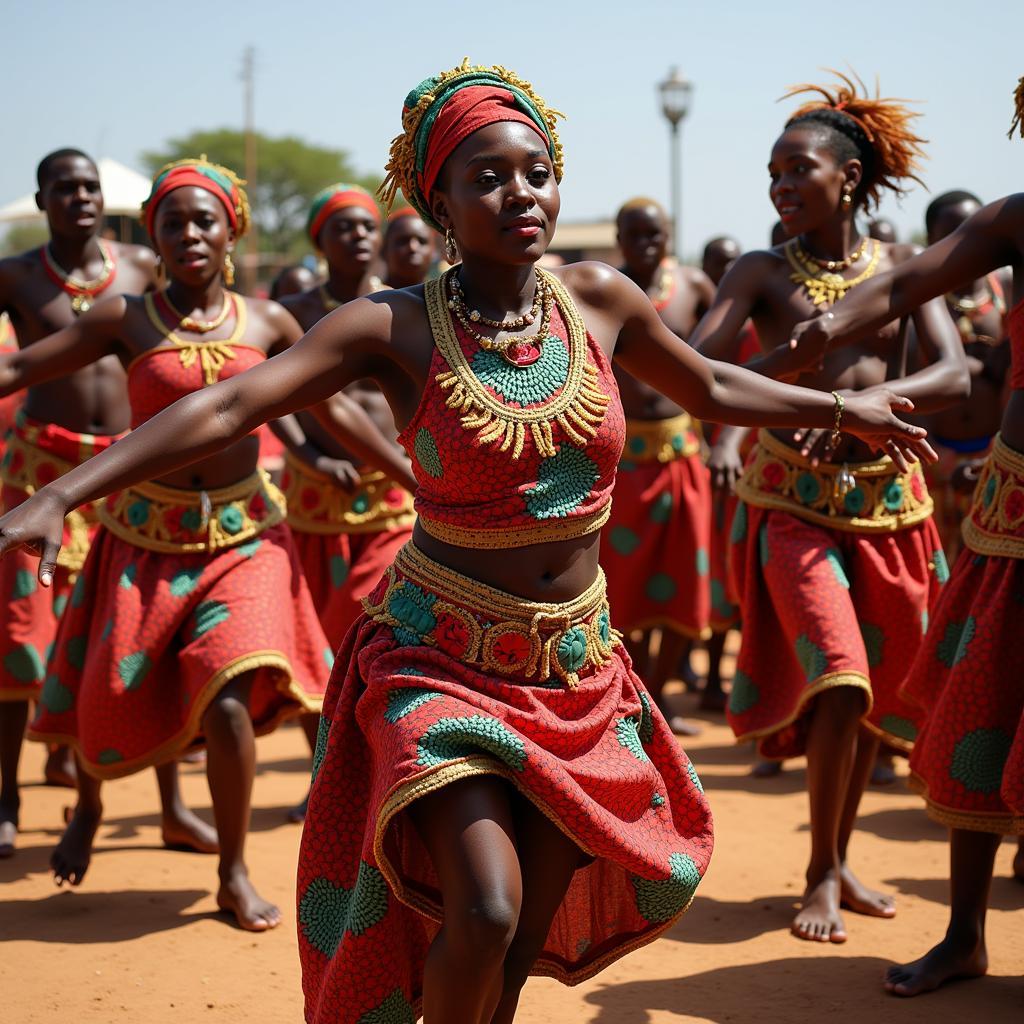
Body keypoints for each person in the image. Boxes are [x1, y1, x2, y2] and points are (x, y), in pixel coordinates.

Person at [0, 63, 932, 1022]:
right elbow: (231, 400)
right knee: (484, 911)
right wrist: (60, 494)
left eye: (536, 172)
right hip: (437, 658)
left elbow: (714, 387)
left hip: (576, 667)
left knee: (520, 940)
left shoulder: (600, 299)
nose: (519, 194)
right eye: (487, 178)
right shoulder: (393, 326)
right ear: (438, 199)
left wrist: (839, 403)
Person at [1, 157, 332, 929]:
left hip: (246, 536)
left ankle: (233, 871)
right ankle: (87, 802)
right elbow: (21, 363)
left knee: (225, 700)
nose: (189, 233)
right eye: (172, 222)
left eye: (203, 220)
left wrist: (394, 464)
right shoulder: (125, 318)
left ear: (231, 231)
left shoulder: (270, 322)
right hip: (142, 534)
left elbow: (333, 405)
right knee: (113, 695)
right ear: (153, 235)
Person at [694, 71, 969, 943]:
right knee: (840, 677)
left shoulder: (901, 272)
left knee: (870, 693)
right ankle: (819, 874)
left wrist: (873, 419)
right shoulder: (760, 270)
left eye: (797, 169)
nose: (779, 185)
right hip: (787, 503)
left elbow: (956, 375)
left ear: (846, 179)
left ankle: (840, 857)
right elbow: (699, 372)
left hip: (889, 504)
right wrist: (804, 385)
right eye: (771, 172)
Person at [787, 73, 1024, 997]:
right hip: (1013, 510)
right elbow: (907, 282)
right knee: (981, 707)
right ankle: (965, 934)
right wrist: (821, 347)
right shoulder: (1011, 219)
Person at [0, 148, 213, 860]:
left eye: (90, 186)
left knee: (130, 638)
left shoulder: (138, 268)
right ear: (42, 198)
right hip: (36, 472)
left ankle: (171, 805)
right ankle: (10, 794)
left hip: (124, 469)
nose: (81, 198)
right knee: (22, 640)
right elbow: (18, 365)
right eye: (65, 188)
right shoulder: (18, 275)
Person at [280, 184, 419, 821]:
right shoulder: (297, 310)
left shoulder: (402, 305)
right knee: (324, 643)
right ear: (320, 239)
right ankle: (326, 780)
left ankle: (386, 774)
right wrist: (310, 457)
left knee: (383, 631)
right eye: (343, 228)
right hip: (316, 499)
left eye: (367, 226)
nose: (358, 236)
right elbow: (266, 395)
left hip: (394, 492)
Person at [601, 196, 715, 733]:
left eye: (655, 233)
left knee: (682, 586)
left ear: (669, 234)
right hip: (620, 463)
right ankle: (634, 702)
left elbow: (722, 366)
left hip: (682, 457)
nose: (646, 243)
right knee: (622, 590)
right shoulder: (598, 294)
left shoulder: (694, 287)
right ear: (619, 238)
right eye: (635, 234)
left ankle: (662, 704)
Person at [914, 190, 1011, 561]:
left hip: (996, 461)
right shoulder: (922, 301)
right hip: (936, 463)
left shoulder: (1007, 291)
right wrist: (941, 460)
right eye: (953, 235)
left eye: (975, 231)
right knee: (939, 568)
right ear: (932, 241)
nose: (967, 244)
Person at [383, 206, 437, 289]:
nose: (413, 247)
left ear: (433, 250)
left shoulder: (448, 298)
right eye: (403, 241)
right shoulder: (368, 299)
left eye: (422, 241)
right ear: (385, 249)